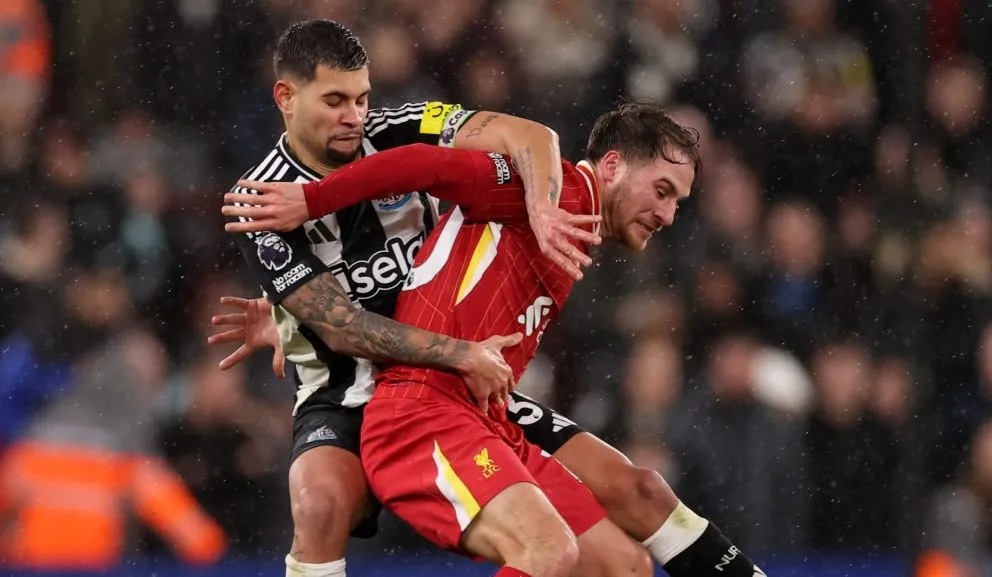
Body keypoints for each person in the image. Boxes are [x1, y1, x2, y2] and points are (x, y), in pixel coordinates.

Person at [222, 104, 766, 577]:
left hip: (484, 417)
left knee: (622, 564)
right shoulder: (544, 190)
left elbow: (420, 279)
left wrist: (288, 321)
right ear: (612, 165)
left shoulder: (570, 224)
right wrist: (313, 200)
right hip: (422, 415)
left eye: (679, 202)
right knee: (546, 550)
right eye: (662, 191)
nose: (668, 215)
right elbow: (426, 164)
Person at [220, 19, 603, 577]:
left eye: (362, 98)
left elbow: (530, 135)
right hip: (347, 393)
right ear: (285, 97)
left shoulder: (402, 127)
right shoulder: (259, 199)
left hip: (447, 385)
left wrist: (543, 205)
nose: (354, 116)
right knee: (318, 503)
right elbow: (341, 327)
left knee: (612, 518)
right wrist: (460, 352)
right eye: (335, 101)